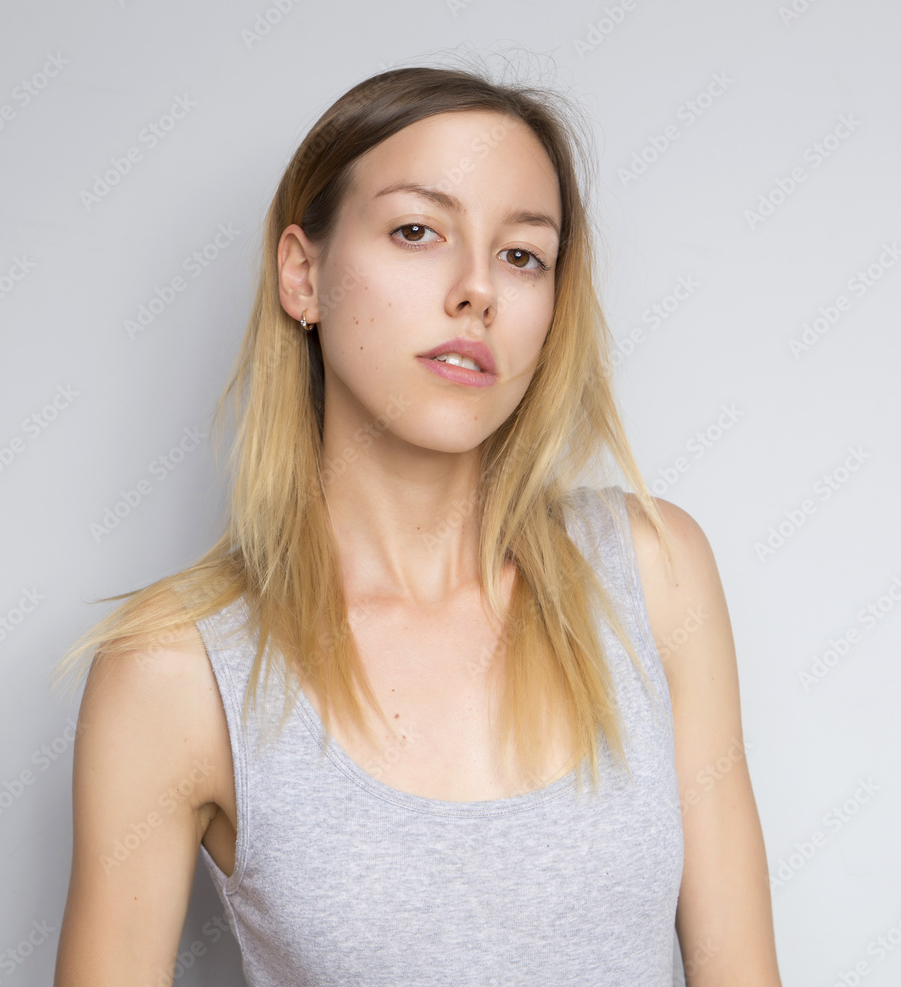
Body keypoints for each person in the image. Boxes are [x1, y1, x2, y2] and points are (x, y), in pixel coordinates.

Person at [51, 63, 782, 986]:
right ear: (302, 275)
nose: (477, 289)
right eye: (417, 231)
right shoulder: (174, 671)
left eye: (523, 255)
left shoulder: (654, 573)